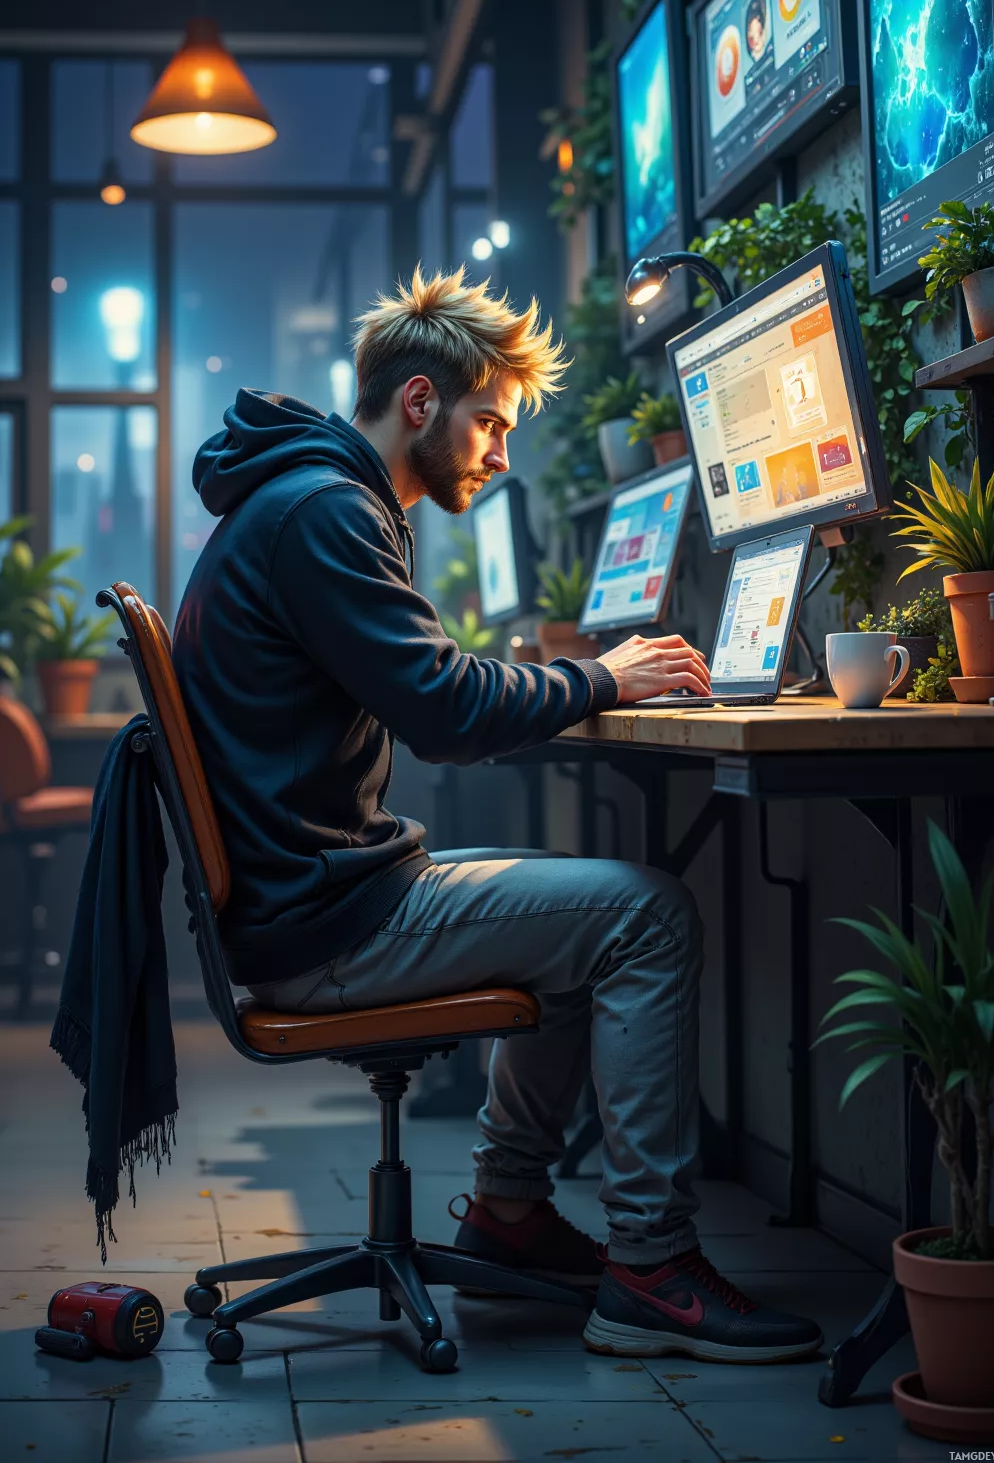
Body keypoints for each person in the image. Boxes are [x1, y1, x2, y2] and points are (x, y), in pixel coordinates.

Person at [173, 266, 822, 1365]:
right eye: (491, 422)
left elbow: (431, 684)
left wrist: (583, 677)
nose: (500, 452)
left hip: (310, 896)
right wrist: (606, 677)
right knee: (643, 914)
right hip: (324, 923)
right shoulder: (330, 512)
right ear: (420, 403)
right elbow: (442, 708)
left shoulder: (304, 496)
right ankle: (652, 1269)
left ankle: (509, 1214)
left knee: (582, 903)